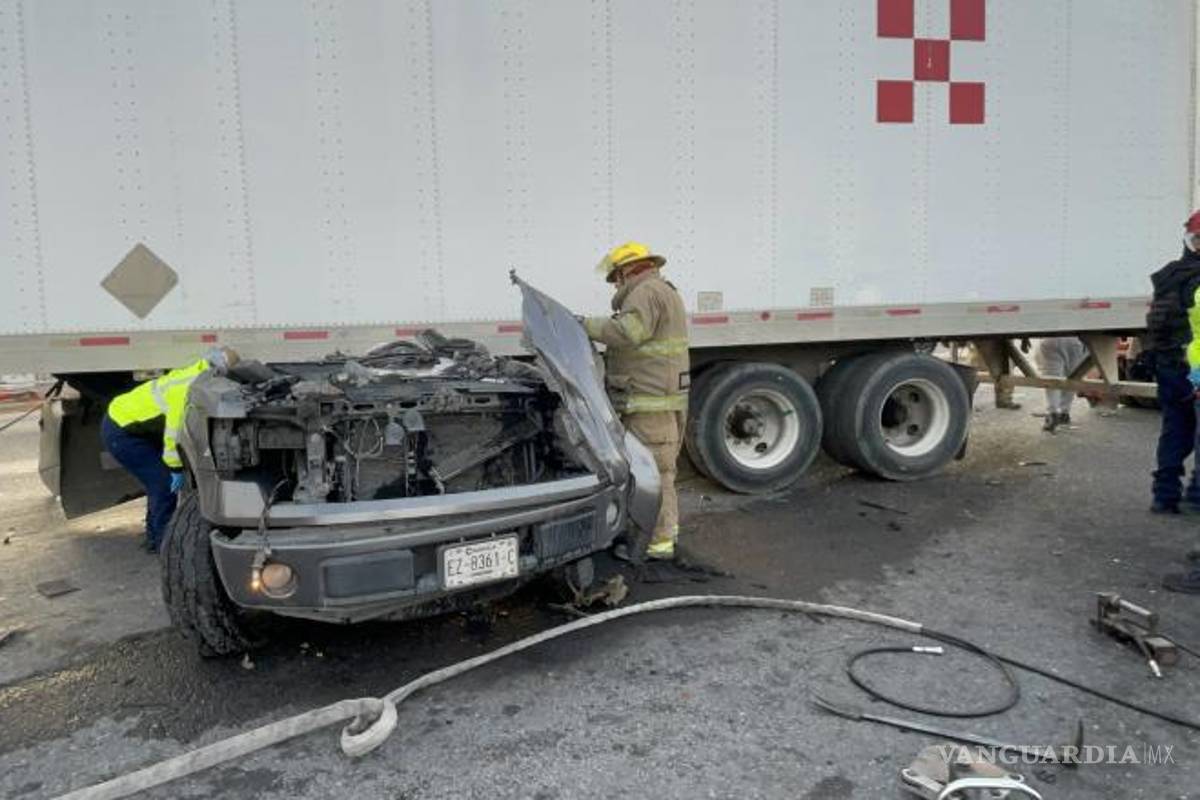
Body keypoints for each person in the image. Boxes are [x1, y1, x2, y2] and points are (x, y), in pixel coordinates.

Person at [583, 242, 689, 561]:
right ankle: (664, 532)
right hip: (654, 402)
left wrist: (584, 324)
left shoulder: (645, 292)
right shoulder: (660, 290)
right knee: (657, 471)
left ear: (628, 270)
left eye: (616, 276)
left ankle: (657, 544)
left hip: (649, 406)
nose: (616, 284)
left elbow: (628, 332)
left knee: (655, 473)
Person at [101, 347, 240, 552]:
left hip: (130, 425)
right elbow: (172, 435)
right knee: (163, 483)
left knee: (156, 483)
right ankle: (165, 546)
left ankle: (153, 537)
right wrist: (175, 469)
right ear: (219, 370)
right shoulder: (186, 389)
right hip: (122, 431)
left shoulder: (197, 374)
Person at [1148, 211, 1200, 515]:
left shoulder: (1169, 275)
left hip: (1168, 363)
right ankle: (1196, 495)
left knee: (1175, 428)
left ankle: (1164, 495)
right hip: (1194, 367)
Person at [1035, 336, 1086, 432]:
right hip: (1075, 340)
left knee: (1052, 378)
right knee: (1072, 377)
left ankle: (1053, 412)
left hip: (1049, 338)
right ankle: (1064, 412)